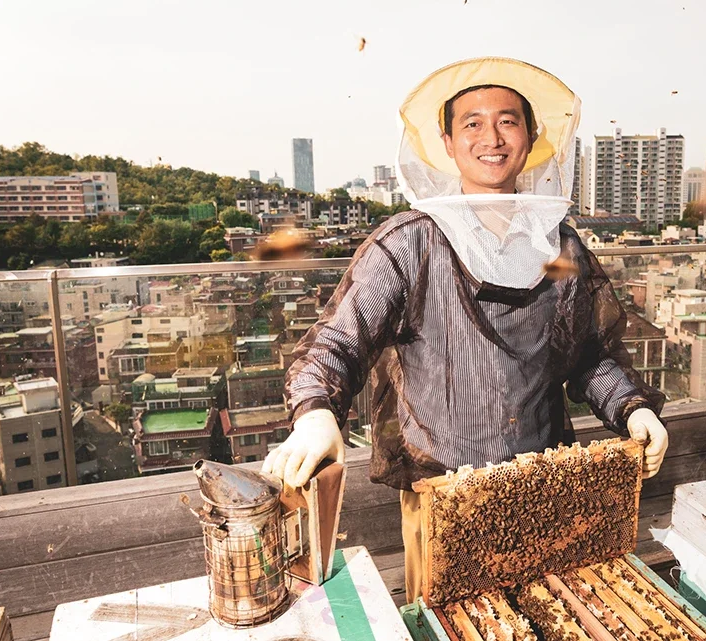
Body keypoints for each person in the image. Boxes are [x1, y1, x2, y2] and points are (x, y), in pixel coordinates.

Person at [263, 57, 668, 603]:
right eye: (471, 123)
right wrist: (315, 417)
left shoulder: (560, 248)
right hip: (442, 494)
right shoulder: (409, 242)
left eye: (508, 120)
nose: (491, 137)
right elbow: (336, 344)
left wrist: (632, 407)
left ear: (530, 138)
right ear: (448, 143)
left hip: (541, 487)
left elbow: (589, 354)